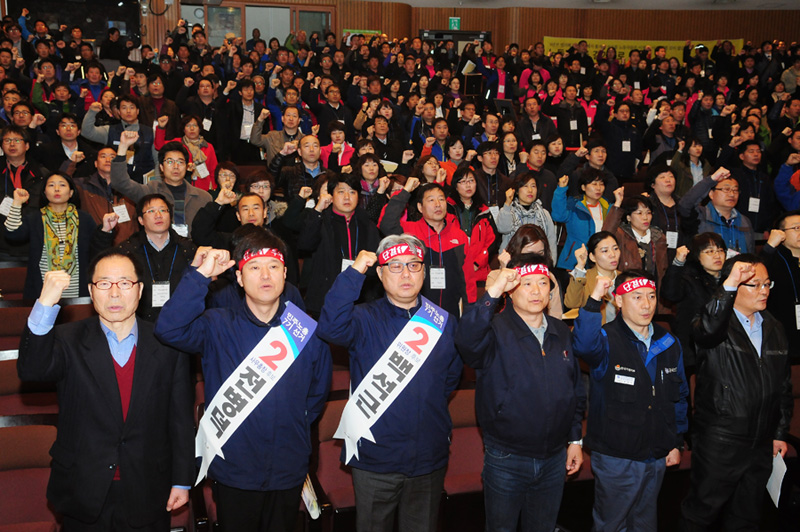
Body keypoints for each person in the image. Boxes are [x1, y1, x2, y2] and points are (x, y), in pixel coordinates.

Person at [154, 233, 332, 532]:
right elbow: (168, 330)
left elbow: (315, 398)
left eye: (274, 267)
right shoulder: (217, 324)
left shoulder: (306, 332)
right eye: (254, 267)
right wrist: (200, 277)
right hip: (233, 471)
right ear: (238, 277)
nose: (265, 275)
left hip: (288, 468)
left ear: (285, 274)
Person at [17, 249, 194, 531]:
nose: (114, 293)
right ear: (90, 290)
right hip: (83, 488)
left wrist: (182, 480)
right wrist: (46, 301)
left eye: (124, 283)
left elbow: (181, 420)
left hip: (149, 487)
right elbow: (31, 370)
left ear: (139, 290)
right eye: (104, 283)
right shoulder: (67, 338)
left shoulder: (166, 343)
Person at [317, 236, 462, 532]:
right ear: (380, 275)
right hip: (374, 460)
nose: (406, 274)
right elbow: (330, 326)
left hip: (428, 460)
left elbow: (450, 378)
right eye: (394, 266)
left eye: (413, 265)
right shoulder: (362, 318)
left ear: (424, 271)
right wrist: (355, 272)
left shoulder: (444, 322)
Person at [456, 255, 586, 532]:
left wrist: (575, 439)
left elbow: (573, 390)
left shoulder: (561, 330)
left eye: (542, 282)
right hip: (507, 457)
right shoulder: (494, 329)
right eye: (527, 283)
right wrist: (493, 292)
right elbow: (465, 341)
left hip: (554, 457)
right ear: (511, 290)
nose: (537, 291)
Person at [681, 255, 793, 531]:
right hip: (721, 439)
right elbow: (705, 330)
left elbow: (783, 386)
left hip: (761, 442)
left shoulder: (774, 327)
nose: (764, 291)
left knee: (746, 518)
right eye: (754, 285)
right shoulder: (717, 324)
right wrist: (727, 285)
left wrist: (779, 434)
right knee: (701, 514)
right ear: (734, 287)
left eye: (767, 284)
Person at [573, 269, 689, 532]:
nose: (646, 304)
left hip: (657, 452)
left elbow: (679, 396)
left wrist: (676, 442)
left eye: (651, 296)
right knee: (611, 525)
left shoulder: (669, 341)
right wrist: (593, 299)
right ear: (619, 301)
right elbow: (583, 345)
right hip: (617, 455)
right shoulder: (605, 338)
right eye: (636, 297)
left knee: (645, 524)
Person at [5, 174, 115, 299]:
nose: (57, 189)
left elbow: (97, 252)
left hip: (77, 289)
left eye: (62, 185)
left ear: (71, 193)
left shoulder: (84, 218)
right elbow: (13, 234)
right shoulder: (35, 218)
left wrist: (106, 230)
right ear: (45, 193)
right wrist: (17, 203)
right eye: (51, 185)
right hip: (43, 289)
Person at [379, 179, 475, 316]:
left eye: (441, 200)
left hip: (450, 313)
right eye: (431, 200)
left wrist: (470, 313)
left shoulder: (459, 236)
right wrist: (405, 192)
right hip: (415, 313)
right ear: (420, 207)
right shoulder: (409, 233)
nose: (437, 205)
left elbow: (468, 279)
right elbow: (386, 224)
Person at [297, 173, 380, 317]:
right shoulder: (320, 220)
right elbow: (305, 244)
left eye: (352, 192)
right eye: (341, 192)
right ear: (331, 196)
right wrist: (318, 210)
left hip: (360, 298)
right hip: (325, 297)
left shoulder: (368, 224)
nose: (347, 197)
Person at [111, 132, 212, 239]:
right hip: (158, 250)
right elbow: (120, 182)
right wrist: (123, 147)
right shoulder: (150, 192)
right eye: (170, 161)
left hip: (193, 251)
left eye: (180, 162)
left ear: (187, 167)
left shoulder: (204, 198)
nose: (176, 166)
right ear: (161, 167)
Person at [117, 194, 196, 322]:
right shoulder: (128, 251)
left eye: (163, 210)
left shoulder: (187, 248)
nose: (158, 215)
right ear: (141, 220)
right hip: (140, 323)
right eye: (151, 211)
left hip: (181, 322)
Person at [660, 233, 726, 374]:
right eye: (709, 251)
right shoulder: (688, 278)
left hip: (725, 349)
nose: (717, 256)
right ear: (697, 255)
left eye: (720, 251)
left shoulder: (729, 279)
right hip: (694, 350)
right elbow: (670, 294)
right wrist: (677, 263)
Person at [677, 166, 755, 254]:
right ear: (711, 194)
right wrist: (711, 179)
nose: (732, 194)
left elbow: (751, 253)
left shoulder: (744, 221)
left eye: (735, 190)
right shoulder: (701, 215)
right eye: (726, 189)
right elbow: (685, 205)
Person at [760, 212, 800, 364]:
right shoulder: (772, 259)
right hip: (781, 335)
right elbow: (754, 274)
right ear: (781, 234)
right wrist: (769, 246)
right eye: (796, 228)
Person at [552, 171, 613, 270]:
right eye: (594, 184)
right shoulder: (575, 206)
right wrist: (561, 190)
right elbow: (558, 216)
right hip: (573, 261)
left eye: (601, 184)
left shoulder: (608, 207)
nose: (598, 188)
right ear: (583, 187)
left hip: (601, 261)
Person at [496, 172, 557, 263]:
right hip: (512, 264)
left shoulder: (544, 214)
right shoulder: (508, 211)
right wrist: (507, 204)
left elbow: (551, 241)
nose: (530, 190)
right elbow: (503, 229)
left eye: (533, 186)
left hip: (538, 265)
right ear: (516, 190)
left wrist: (550, 264)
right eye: (525, 186)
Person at [564, 231, 621, 324]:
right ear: (592, 257)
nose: (613, 254)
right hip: (593, 333)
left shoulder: (626, 278)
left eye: (615, 248)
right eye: (605, 251)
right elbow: (571, 303)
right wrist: (580, 266)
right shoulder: (584, 278)